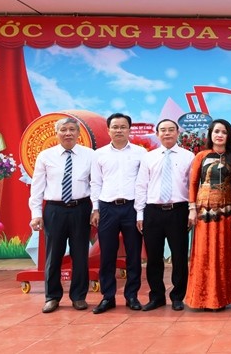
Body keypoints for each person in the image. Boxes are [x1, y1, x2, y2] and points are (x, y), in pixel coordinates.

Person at [28, 117, 93, 313]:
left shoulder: (90, 155)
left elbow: (96, 185)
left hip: (81, 208)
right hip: (54, 210)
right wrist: (36, 213)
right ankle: (52, 297)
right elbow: (37, 187)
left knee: (80, 255)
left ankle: (79, 296)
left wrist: (96, 209)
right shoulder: (46, 156)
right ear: (57, 133)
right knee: (53, 254)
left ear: (78, 133)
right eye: (63, 130)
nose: (68, 133)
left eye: (72, 129)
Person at [135, 119, 195, 311]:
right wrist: (139, 214)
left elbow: (193, 186)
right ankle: (157, 296)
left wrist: (192, 210)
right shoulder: (148, 157)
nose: (167, 133)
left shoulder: (189, 156)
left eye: (171, 130)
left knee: (179, 256)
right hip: (153, 212)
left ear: (178, 133)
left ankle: (178, 296)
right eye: (163, 130)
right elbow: (141, 186)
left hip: (178, 210)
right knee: (153, 257)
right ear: (157, 133)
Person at [89, 113, 146, 314]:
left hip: (132, 207)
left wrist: (140, 212)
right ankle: (108, 297)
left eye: (123, 127)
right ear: (108, 130)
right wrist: (95, 208)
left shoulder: (141, 153)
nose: (119, 130)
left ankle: (132, 295)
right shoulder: (99, 154)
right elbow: (95, 182)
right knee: (107, 254)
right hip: (107, 208)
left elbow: (143, 184)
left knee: (133, 254)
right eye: (115, 127)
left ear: (130, 129)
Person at [186, 119, 231, 310]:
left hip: (227, 212)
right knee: (204, 252)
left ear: (229, 136)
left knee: (223, 252)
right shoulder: (201, 156)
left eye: (224, 132)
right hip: (204, 211)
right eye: (216, 131)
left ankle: (221, 298)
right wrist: (192, 209)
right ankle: (201, 298)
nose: (219, 135)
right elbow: (193, 183)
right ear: (210, 134)